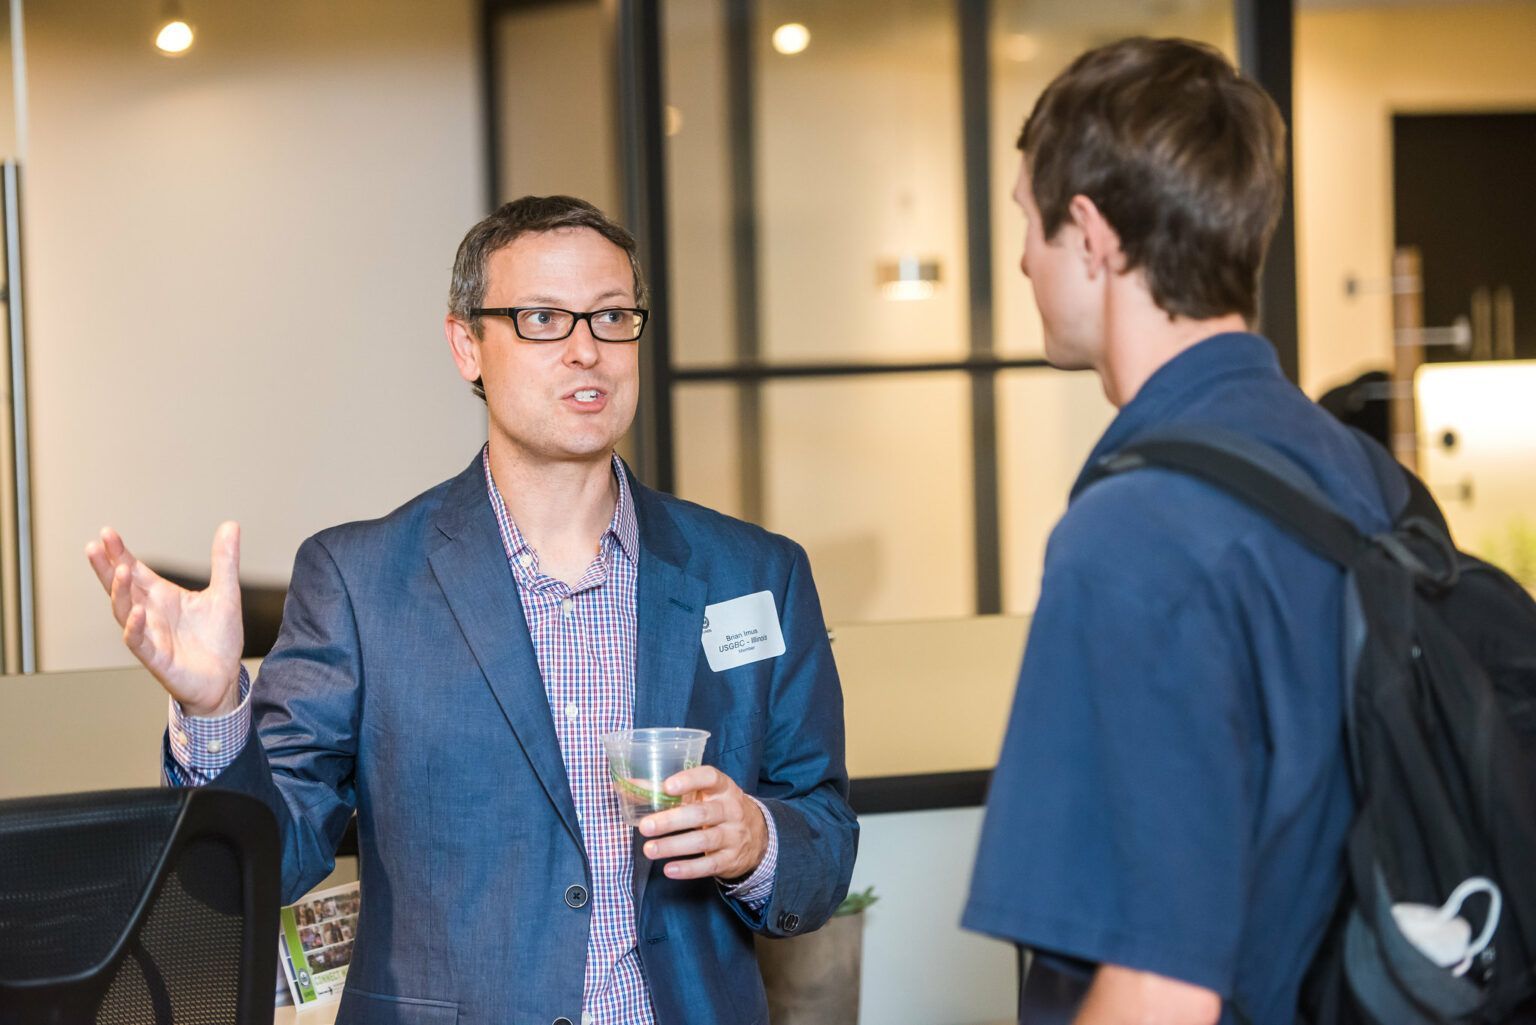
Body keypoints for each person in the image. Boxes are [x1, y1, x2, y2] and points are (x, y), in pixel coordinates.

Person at [85, 195, 856, 1025]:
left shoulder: (752, 573)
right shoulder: (361, 579)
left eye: (611, 316)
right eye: (541, 319)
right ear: (467, 345)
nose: (586, 349)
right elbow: (260, 868)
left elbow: (822, 829)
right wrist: (214, 710)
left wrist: (757, 841)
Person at [962, 38, 1400, 1025]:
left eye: (1028, 223)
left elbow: (1161, 984)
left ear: (1092, 235)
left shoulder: (1134, 534)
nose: (1021, 258)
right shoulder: (1364, 476)